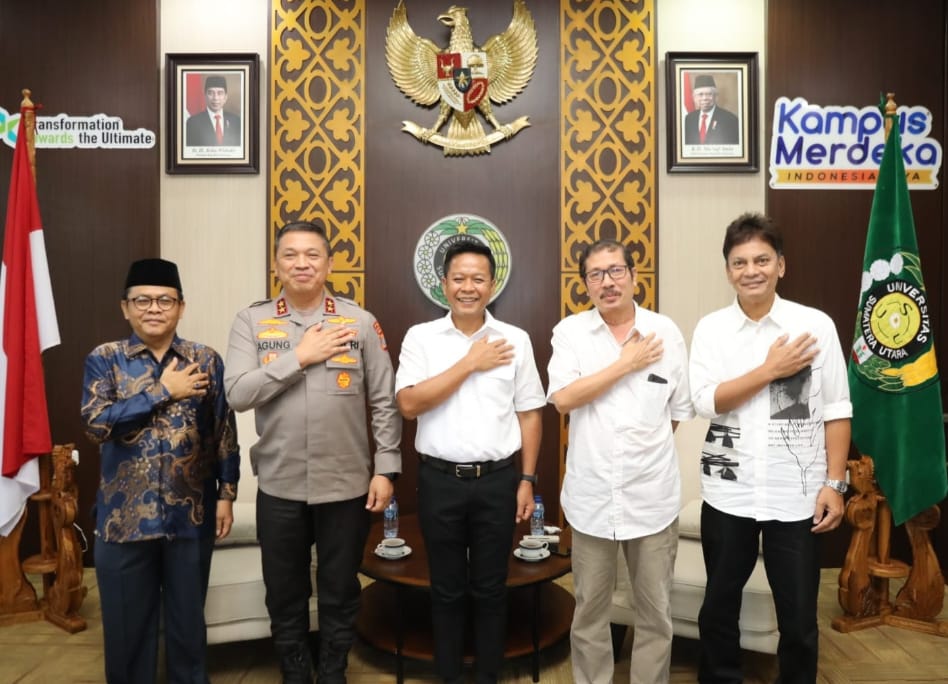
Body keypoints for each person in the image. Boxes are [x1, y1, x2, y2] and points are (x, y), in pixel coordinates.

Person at [224, 220, 401, 683]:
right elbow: (238, 393)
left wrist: (386, 469)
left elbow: (383, 400)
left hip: (346, 482)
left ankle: (334, 667)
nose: (301, 263)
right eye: (290, 255)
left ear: (329, 262)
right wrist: (299, 357)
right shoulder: (253, 321)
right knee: (285, 590)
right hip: (280, 483)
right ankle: (295, 671)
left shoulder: (359, 321)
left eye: (312, 255)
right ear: (276, 263)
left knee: (340, 587)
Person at [689, 212, 852, 683]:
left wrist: (834, 484)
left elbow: (837, 409)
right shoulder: (712, 330)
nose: (751, 270)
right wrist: (769, 369)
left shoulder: (813, 326)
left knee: (799, 618)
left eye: (762, 259)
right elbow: (706, 401)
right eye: (739, 262)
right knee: (718, 610)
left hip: (796, 498)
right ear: (727, 271)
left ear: (782, 265)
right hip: (728, 495)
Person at [81, 258, 240, 684]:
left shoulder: (204, 360)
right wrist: (162, 391)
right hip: (123, 522)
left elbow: (223, 430)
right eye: (143, 300)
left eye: (165, 300)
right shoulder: (106, 360)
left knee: (188, 630)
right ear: (125, 307)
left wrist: (227, 493)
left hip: (190, 518)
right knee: (127, 632)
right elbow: (97, 425)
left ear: (181, 307)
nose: (154, 308)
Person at [395, 240, 544, 684]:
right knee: (445, 590)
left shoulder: (515, 339)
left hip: (498, 481)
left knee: (491, 589)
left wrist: (527, 480)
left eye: (478, 279)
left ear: (492, 284)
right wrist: (470, 363)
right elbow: (408, 404)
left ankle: (488, 677)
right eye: (459, 278)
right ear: (443, 284)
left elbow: (530, 413)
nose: (468, 287)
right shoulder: (421, 338)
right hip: (439, 480)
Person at [547, 239, 694, 684]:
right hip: (591, 499)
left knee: (655, 612)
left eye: (615, 271)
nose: (607, 282)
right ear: (585, 285)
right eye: (596, 274)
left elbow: (676, 414)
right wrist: (624, 364)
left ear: (633, 275)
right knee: (590, 611)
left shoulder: (665, 333)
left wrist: (641, 454)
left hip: (652, 499)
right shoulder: (570, 333)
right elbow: (564, 400)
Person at [185, 75, 241, 147]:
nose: (215, 98)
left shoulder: (236, 121)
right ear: (205, 96)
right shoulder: (192, 123)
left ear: (225, 97)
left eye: (220, 93)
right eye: (211, 93)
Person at [683, 74, 740, 145]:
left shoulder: (730, 120)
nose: (704, 98)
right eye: (700, 94)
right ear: (694, 98)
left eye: (709, 94)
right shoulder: (689, 119)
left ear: (716, 97)